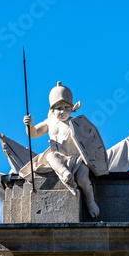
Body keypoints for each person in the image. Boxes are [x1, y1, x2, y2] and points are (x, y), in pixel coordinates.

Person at [23, 82, 100, 218]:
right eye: (59, 108)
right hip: (59, 157)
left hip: (77, 159)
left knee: (82, 178)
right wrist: (29, 125)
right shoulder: (49, 122)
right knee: (51, 157)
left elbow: (89, 141)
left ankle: (91, 201)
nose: (63, 111)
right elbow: (34, 133)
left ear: (72, 108)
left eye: (66, 107)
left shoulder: (76, 123)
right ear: (52, 110)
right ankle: (65, 174)